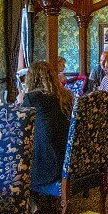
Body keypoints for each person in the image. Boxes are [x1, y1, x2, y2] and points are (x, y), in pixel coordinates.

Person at [18, 61, 70, 194]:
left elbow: (21, 126)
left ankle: (29, 205)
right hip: (66, 159)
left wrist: (20, 101)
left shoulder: (32, 98)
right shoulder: (66, 96)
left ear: (31, 78)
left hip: (47, 165)